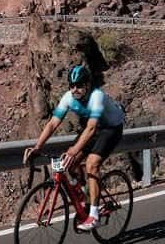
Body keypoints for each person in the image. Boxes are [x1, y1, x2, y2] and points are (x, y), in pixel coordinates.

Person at [23, 64, 126, 231]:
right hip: (92, 129)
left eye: (79, 86)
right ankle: (86, 194)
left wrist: (73, 150)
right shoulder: (68, 98)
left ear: (87, 85)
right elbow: (53, 124)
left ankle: (94, 216)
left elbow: (92, 128)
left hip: (111, 129)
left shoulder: (96, 96)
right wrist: (37, 146)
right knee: (69, 165)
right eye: (72, 86)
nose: (75, 90)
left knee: (92, 164)